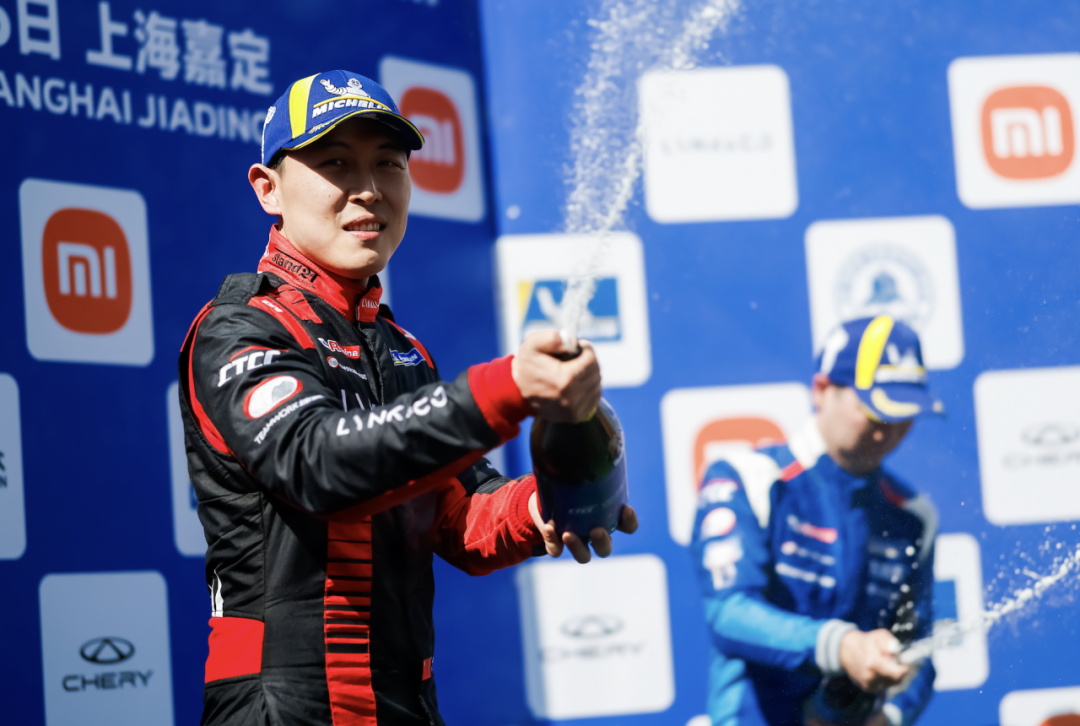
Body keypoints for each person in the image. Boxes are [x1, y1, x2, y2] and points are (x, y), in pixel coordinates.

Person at [177, 69, 637, 726]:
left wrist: (545, 506)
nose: (368, 188)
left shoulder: (402, 349)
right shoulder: (239, 328)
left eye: (388, 163)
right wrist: (506, 387)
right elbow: (317, 465)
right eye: (337, 163)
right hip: (282, 707)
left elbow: (460, 515)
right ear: (267, 188)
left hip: (406, 704)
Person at [691, 315, 943, 726]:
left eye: (906, 412)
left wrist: (891, 716)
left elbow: (919, 649)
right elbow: (729, 613)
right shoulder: (750, 477)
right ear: (822, 390)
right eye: (877, 411)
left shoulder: (913, 516)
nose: (890, 429)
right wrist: (842, 647)